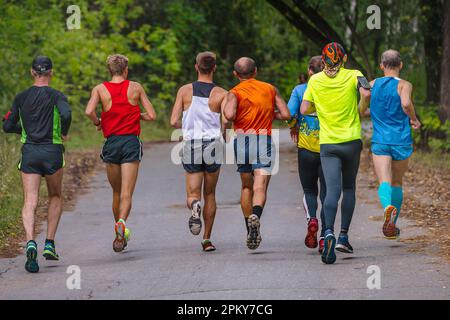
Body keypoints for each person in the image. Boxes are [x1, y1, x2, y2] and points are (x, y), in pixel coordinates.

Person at [300, 43, 371, 264]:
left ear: (323, 60)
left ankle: (327, 232)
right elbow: (366, 92)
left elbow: (304, 109)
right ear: (345, 58)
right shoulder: (354, 74)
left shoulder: (314, 80)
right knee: (349, 187)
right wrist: (360, 110)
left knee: (332, 190)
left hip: (328, 144)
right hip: (351, 141)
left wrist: (319, 108)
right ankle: (343, 237)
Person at [2, 56, 72, 273]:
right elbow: (67, 113)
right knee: (55, 196)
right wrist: (63, 132)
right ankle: (49, 243)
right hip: (52, 151)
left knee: (30, 200)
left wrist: (23, 130)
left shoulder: (21, 97)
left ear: (33, 72)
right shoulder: (57, 95)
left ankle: (31, 241)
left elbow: (7, 125)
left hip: (30, 152)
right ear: (51, 72)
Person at [85, 54, 156, 253]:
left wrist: (99, 123)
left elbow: (88, 111)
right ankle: (122, 223)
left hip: (112, 143)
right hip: (131, 143)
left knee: (116, 192)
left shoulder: (100, 89)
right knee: (127, 192)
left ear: (110, 70)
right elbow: (152, 115)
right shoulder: (136, 87)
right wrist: (136, 114)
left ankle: (119, 229)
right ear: (126, 70)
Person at [224, 57, 290, 250]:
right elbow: (286, 114)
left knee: (246, 186)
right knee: (260, 186)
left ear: (235, 74)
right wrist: (269, 114)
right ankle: (257, 216)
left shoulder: (234, 92)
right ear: (256, 71)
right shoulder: (270, 88)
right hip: (263, 140)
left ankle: (249, 228)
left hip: (242, 139)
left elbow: (228, 115)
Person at [170, 52, 228, 252]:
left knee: (193, 194)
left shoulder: (185, 91)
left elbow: (173, 120)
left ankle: (195, 205)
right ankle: (207, 240)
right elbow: (227, 119)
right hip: (213, 144)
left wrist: (186, 126)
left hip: (192, 143)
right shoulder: (222, 93)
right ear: (214, 68)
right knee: (210, 193)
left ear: (196, 67)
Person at [362, 50, 421, 239]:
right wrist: (414, 118)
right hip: (401, 141)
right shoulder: (404, 85)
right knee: (397, 182)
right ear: (400, 65)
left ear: (382, 66)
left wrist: (366, 111)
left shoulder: (372, 85)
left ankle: (387, 208)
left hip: (380, 141)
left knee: (384, 181)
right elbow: (405, 104)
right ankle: (392, 224)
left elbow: (363, 107)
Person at [287, 56, 326, 253]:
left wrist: (294, 126)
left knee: (310, 190)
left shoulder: (300, 90)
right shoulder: (333, 88)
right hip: (330, 148)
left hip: (307, 148)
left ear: (309, 71)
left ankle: (312, 218)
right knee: (328, 194)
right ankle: (325, 238)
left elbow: (290, 114)